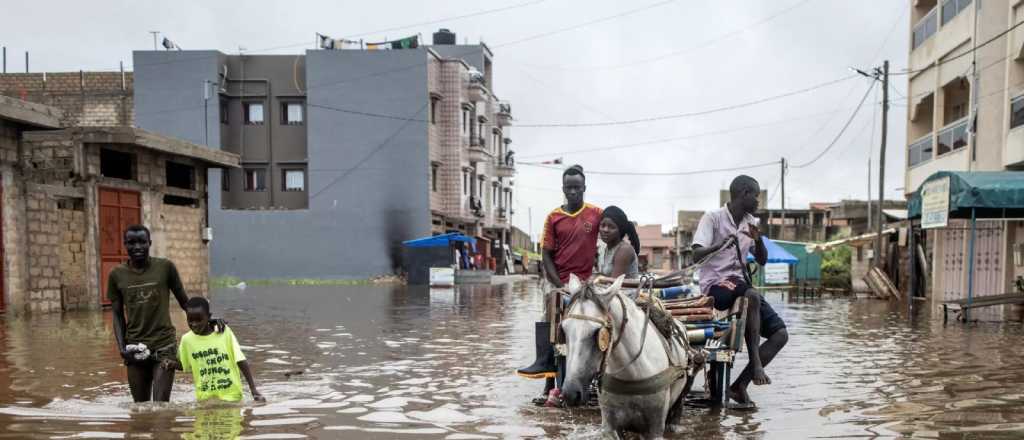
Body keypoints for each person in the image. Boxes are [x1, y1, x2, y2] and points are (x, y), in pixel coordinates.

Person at [691, 175, 788, 407]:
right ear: (744, 193)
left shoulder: (751, 221)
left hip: (740, 284)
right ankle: (756, 363)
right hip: (715, 285)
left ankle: (739, 386)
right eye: (756, 196)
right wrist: (722, 244)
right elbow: (696, 254)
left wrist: (759, 240)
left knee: (780, 335)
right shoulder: (712, 218)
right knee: (752, 294)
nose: (758, 201)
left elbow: (762, 260)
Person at [108, 224, 224, 403]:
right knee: (141, 409)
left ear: (149, 243)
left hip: (164, 347)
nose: (137, 247)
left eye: (142, 242)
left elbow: (185, 302)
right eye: (131, 243)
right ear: (125, 244)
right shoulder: (117, 275)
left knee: (161, 409)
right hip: (135, 349)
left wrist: (208, 322)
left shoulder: (165, 268)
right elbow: (116, 314)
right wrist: (123, 348)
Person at [516, 165, 602, 405]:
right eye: (569, 188)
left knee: (588, 332)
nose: (573, 192)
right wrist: (559, 284)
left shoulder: (596, 214)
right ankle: (547, 380)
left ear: (584, 188)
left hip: (585, 284)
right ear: (563, 189)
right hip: (559, 281)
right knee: (551, 323)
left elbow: (614, 228)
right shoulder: (553, 217)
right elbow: (545, 255)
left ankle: (591, 380)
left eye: (577, 187)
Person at [163, 297, 264, 403]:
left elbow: (241, 360)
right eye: (190, 320)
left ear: (209, 317)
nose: (194, 324)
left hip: (231, 396)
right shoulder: (186, 340)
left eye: (199, 320)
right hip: (204, 399)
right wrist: (172, 364)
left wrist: (253, 390)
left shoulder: (224, 332)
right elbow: (185, 365)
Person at [596, 206, 640, 278]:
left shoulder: (624, 250)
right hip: (605, 288)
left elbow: (614, 283)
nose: (605, 230)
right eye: (602, 225)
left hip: (624, 289)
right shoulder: (603, 248)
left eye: (611, 227)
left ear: (620, 230)